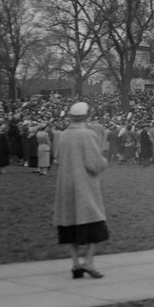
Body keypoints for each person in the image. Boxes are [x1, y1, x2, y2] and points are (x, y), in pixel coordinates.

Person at [53, 102, 110, 279]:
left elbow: (58, 158)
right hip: (83, 184)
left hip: (65, 184)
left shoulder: (62, 135)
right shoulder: (88, 134)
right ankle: (89, 262)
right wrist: (104, 162)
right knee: (94, 223)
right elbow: (94, 164)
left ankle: (75, 263)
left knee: (70, 224)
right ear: (87, 116)